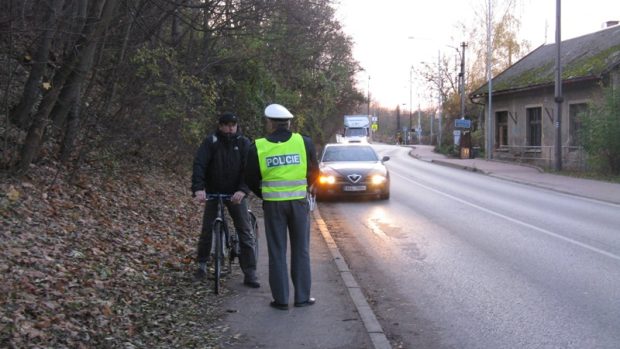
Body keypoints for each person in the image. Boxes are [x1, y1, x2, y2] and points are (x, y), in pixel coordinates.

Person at [245, 103, 319, 310]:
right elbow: (315, 172)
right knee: (301, 250)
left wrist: (265, 194)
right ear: (289, 123)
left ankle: (281, 300)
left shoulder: (258, 146)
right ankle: (302, 298)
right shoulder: (304, 142)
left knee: (277, 251)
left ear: (270, 123)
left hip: (273, 206)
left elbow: (250, 177)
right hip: (298, 204)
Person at [191, 112, 260, 288]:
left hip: (236, 193)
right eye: (227, 125)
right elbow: (200, 164)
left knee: (244, 230)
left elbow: (250, 169)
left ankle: (250, 272)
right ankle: (202, 266)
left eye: (233, 125)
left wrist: (242, 190)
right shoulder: (211, 142)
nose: (230, 128)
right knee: (207, 229)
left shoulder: (243, 143)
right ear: (220, 126)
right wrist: (199, 189)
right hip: (214, 192)